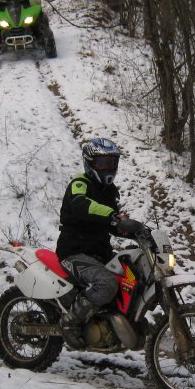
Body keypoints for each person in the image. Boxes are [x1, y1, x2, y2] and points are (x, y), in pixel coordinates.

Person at [56, 138, 145, 348]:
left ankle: (115, 324)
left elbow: (110, 223)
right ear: (90, 163)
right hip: (74, 251)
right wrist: (113, 217)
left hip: (100, 252)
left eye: (112, 162)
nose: (109, 168)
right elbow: (82, 206)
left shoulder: (109, 191)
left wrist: (132, 230)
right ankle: (70, 322)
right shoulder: (80, 184)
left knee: (133, 275)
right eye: (103, 163)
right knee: (106, 283)